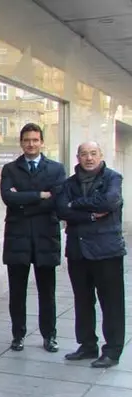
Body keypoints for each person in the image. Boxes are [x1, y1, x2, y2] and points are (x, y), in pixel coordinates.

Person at [56, 141, 126, 368]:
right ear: (78, 157)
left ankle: (112, 350)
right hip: (78, 251)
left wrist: (76, 204)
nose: (89, 158)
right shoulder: (69, 183)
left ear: (101, 155)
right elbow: (61, 210)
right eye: (84, 154)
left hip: (107, 251)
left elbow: (109, 201)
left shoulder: (113, 178)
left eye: (93, 153)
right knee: (83, 301)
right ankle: (87, 345)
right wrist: (92, 215)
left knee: (111, 303)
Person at [0, 123, 66, 353]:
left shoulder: (56, 169)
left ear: (42, 142)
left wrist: (24, 201)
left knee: (47, 291)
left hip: (45, 237)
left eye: (35, 140)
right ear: (21, 142)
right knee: (16, 292)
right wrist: (39, 195)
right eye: (27, 140)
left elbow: (56, 200)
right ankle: (18, 335)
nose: (31, 144)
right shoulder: (10, 169)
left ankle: (50, 336)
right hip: (17, 238)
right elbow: (8, 197)